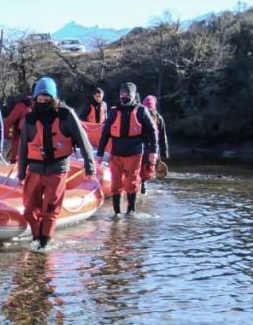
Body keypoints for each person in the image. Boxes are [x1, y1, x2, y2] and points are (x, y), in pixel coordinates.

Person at [18, 77, 95, 250]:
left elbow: (83, 140)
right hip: (35, 169)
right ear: (35, 98)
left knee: (51, 209)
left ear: (53, 98)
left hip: (57, 169)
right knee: (30, 209)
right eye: (40, 98)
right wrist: (21, 172)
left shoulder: (66, 114)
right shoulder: (30, 118)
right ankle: (36, 238)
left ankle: (44, 243)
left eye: (47, 99)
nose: (43, 101)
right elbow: (23, 147)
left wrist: (90, 164)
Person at [96, 82, 157, 217]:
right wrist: (99, 155)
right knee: (115, 184)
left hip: (134, 153)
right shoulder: (113, 112)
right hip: (116, 153)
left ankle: (131, 211)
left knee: (132, 182)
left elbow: (152, 133)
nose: (125, 97)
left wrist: (153, 152)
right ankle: (117, 213)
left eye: (128, 94)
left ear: (134, 95)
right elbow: (105, 134)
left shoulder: (141, 111)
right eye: (123, 94)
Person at [139, 95, 170, 194]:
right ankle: (143, 184)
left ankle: (139, 185)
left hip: (139, 147)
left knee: (138, 167)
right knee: (148, 169)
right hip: (153, 148)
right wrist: (164, 153)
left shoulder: (139, 115)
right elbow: (162, 137)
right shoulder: (159, 117)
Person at [3, 92, 33, 162]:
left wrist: (6, 136)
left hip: (20, 144)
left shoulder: (22, 106)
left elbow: (8, 122)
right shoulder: (48, 107)